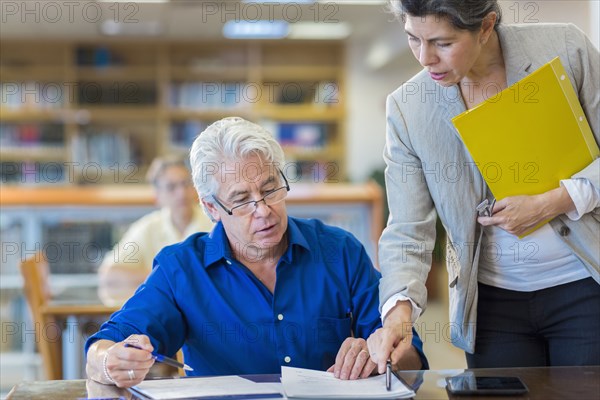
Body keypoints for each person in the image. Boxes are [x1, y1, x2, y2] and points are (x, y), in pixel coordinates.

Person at [85, 117, 428, 388]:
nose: (263, 210)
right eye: (241, 200)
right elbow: (104, 347)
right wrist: (111, 360)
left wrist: (384, 353)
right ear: (211, 207)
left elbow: (410, 362)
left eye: (270, 189)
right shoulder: (182, 269)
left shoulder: (340, 251)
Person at [368, 0, 599, 372]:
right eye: (413, 39)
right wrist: (398, 311)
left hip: (584, 285)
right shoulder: (409, 110)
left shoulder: (565, 50)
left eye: (442, 43)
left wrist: (555, 201)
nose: (425, 58)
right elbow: (408, 229)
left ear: (487, 26)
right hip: (491, 305)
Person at [97, 155, 214, 306]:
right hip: (163, 309)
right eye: (171, 187)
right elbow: (109, 275)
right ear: (157, 195)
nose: (181, 193)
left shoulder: (214, 222)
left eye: (185, 184)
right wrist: (165, 277)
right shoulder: (147, 228)